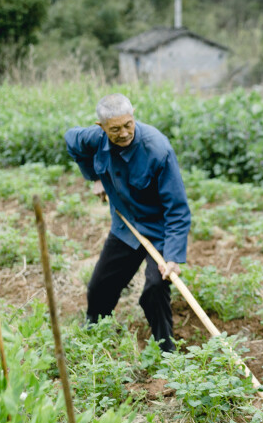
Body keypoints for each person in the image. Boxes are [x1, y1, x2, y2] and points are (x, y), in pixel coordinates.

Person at [64, 93, 191, 353]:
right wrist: (94, 178)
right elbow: (71, 142)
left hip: (159, 232)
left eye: (128, 125)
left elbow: (177, 209)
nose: (123, 133)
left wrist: (173, 257)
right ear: (101, 128)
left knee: (155, 288)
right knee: (100, 286)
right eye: (115, 129)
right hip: (126, 225)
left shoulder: (157, 148)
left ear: (133, 115)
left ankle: (167, 353)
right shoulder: (94, 138)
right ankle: (94, 338)